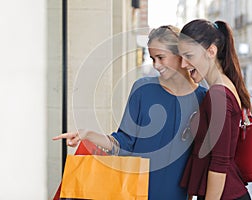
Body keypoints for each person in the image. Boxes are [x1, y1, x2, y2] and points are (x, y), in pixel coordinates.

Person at [53, 25, 207, 200]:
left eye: (161, 57)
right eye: (152, 58)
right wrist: (89, 135)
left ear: (180, 54)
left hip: (177, 192)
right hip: (134, 190)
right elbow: (124, 143)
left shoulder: (202, 98)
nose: (156, 65)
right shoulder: (142, 89)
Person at [178, 19, 251, 200]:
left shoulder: (218, 94)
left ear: (211, 51)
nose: (183, 64)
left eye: (189, 56)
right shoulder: (223, 87)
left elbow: (220, 163)